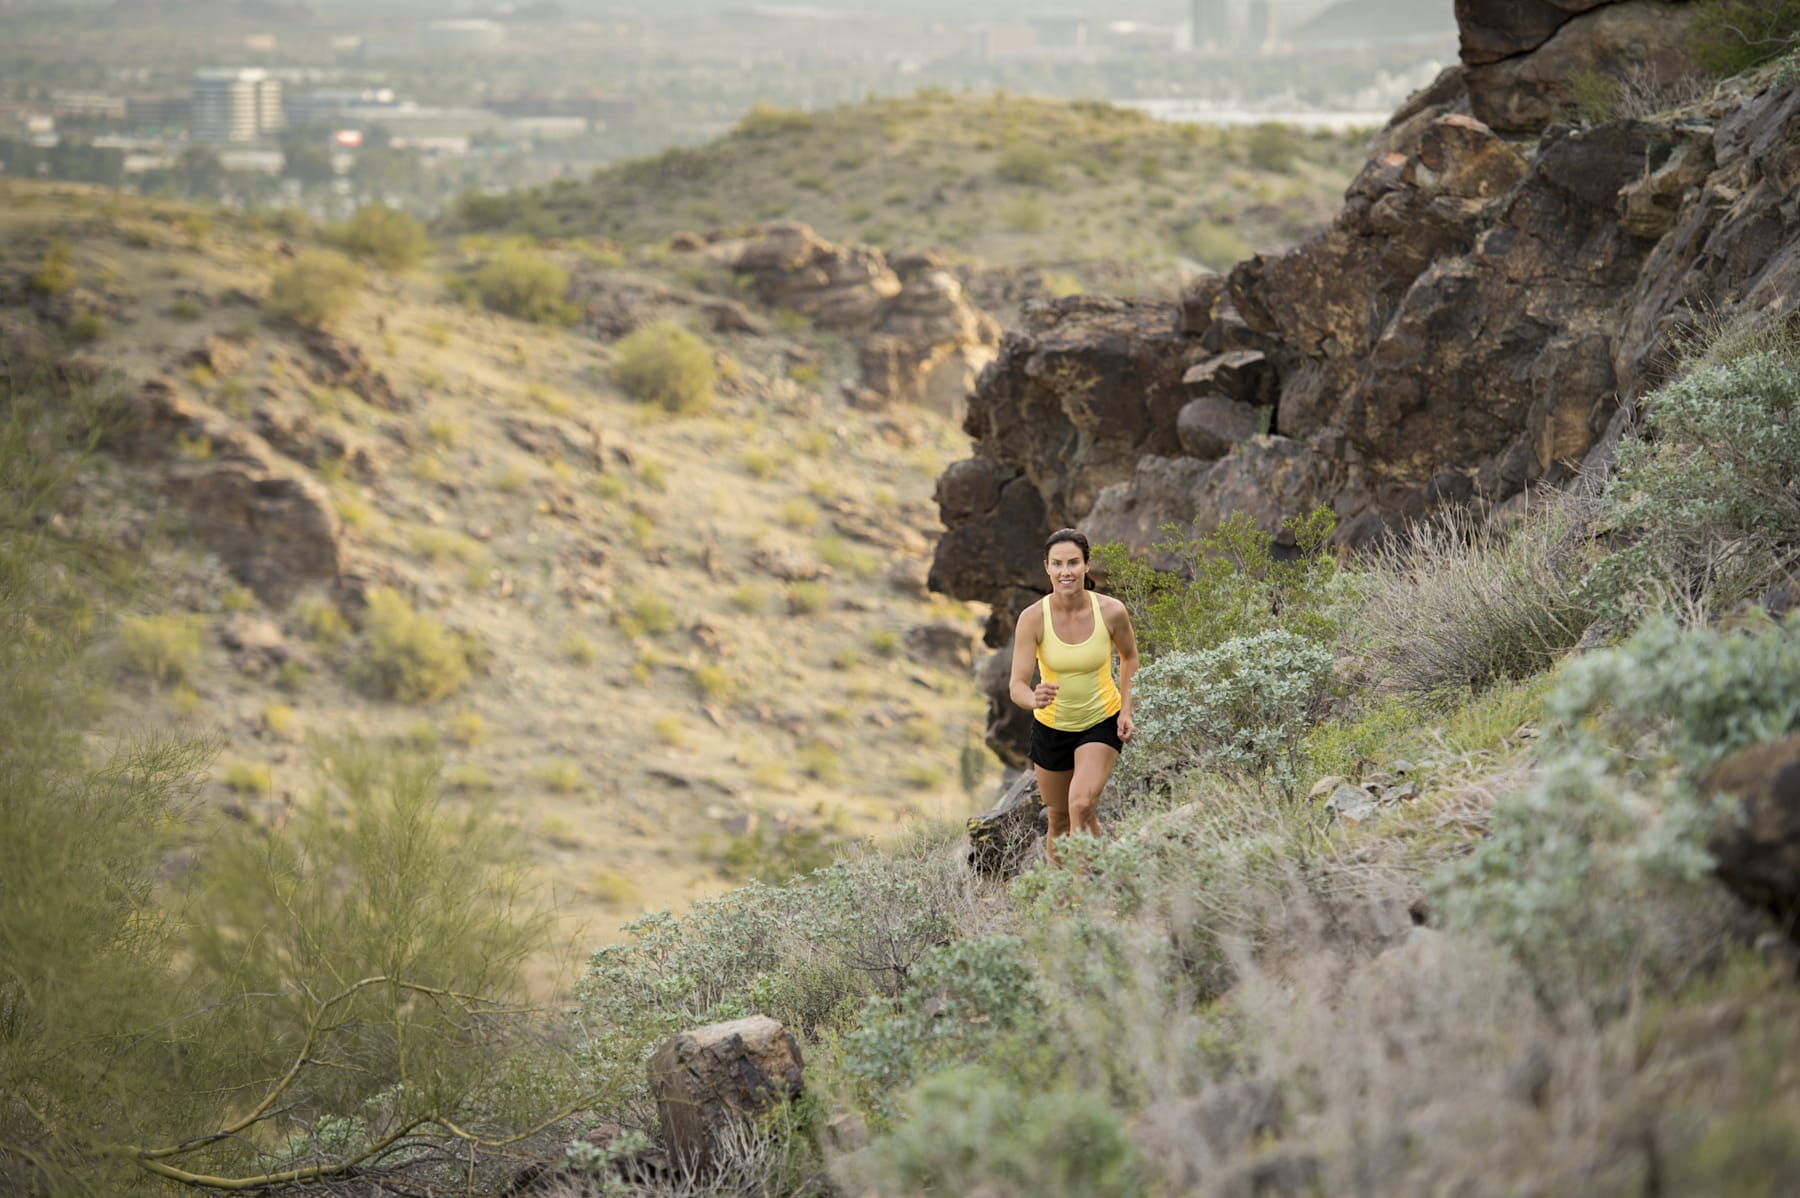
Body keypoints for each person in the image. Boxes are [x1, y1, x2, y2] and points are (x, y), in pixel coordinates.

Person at [1008, 528, 1138, 865]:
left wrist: (1126, 710)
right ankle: (1066, 896)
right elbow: (1017, 685)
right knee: (1060, 818)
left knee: (1080, 803)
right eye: (1058, 564)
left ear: (1086, 566)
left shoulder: (1110, 612)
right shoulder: (1033, 618)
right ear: (1047, 568)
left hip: (1100, 721)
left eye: (1073, 563)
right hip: (1052, 726)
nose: (1066, 571)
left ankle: (1084, 900)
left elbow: (1129, 657)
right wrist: (1033, 698)